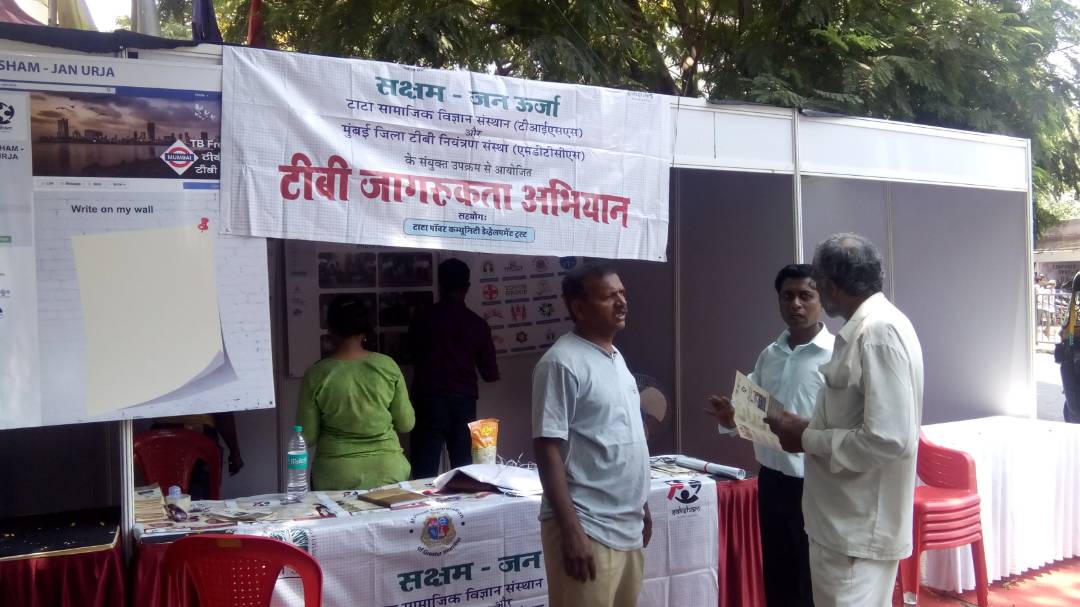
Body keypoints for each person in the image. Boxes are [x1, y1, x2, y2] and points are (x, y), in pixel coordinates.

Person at [767, 234, 923, 607]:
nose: (807, 299)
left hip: (857, 530)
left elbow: (889, 439)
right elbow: (858, 421)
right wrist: (806, 428)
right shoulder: (867, 328)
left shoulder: (878, 332)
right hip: (843, 526)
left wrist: (807, 438)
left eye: (816, 287)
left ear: (832, 287)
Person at [706, 263, 832, 607]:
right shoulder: (770, 355)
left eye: (806, 296)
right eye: (787, 296)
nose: (795, 304)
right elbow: (750, 408)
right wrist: (730, 418)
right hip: (772, 481)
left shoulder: (837, 355)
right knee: (777, 574)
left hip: (816, 482)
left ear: (821, 299)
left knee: (812, 578)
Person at [532, 262, 651, 607]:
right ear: (579, 308)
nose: (621, 302)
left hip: (626, 525)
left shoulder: (616, 358)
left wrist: (643, 505)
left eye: (622, 293)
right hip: (587, 525)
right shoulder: (561, 363)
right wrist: (572, 532)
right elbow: (546, 447)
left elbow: (626, 436)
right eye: (609, 296)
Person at [297, 294, 415, 490]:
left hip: (334, 475)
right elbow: (406, 424)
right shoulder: (387, 366)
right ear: (365, 328)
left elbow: (306, 437)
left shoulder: (316, 374)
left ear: (331, 329)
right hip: (389, 471)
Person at [408, 258, 500, 478]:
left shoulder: (422, 318)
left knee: (424, 471)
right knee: (466, 470)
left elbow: (409, 354)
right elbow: (490, 374)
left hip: (428, 402)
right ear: (467, 287)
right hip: (463, 404)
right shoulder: (477, 324)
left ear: (439, 285)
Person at [150, 412, 244, 500]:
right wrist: (235, 454)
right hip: (198, 433)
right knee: (199, 497)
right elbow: (223, 415)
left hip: (158, 434)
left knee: (165, 493)